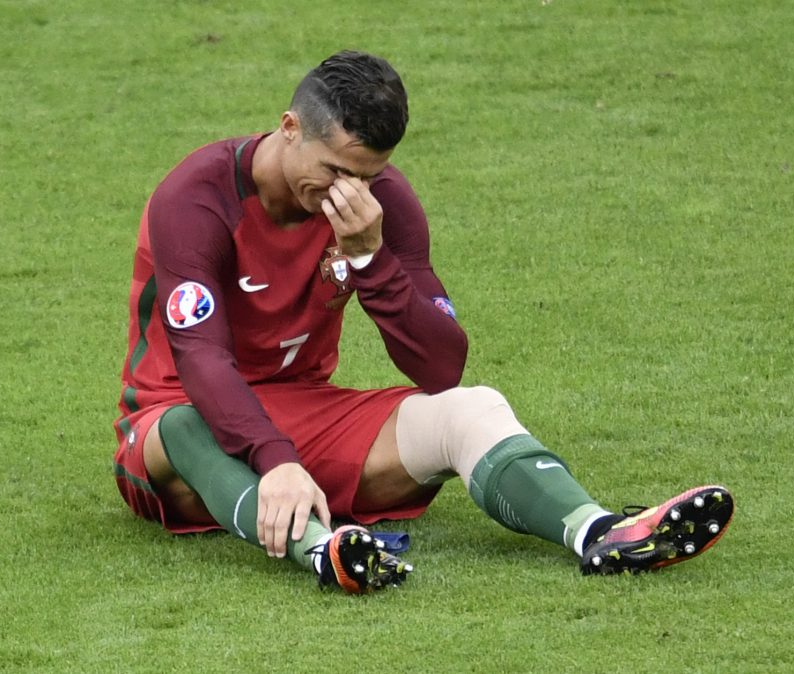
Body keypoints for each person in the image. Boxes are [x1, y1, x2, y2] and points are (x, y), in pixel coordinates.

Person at [111, 50, 735, 593]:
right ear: (289, 126)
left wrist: (367, 258)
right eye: (333, 170)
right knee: (189, 425)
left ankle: (599, 533)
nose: (347, 192)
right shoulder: (194, 199)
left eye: (367, 176)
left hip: (300, 413)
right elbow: (202, 361)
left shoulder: (381, 207)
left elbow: (441, 366)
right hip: (170, 432)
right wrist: (276, 460)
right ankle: (324, 551)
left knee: (471, 406)